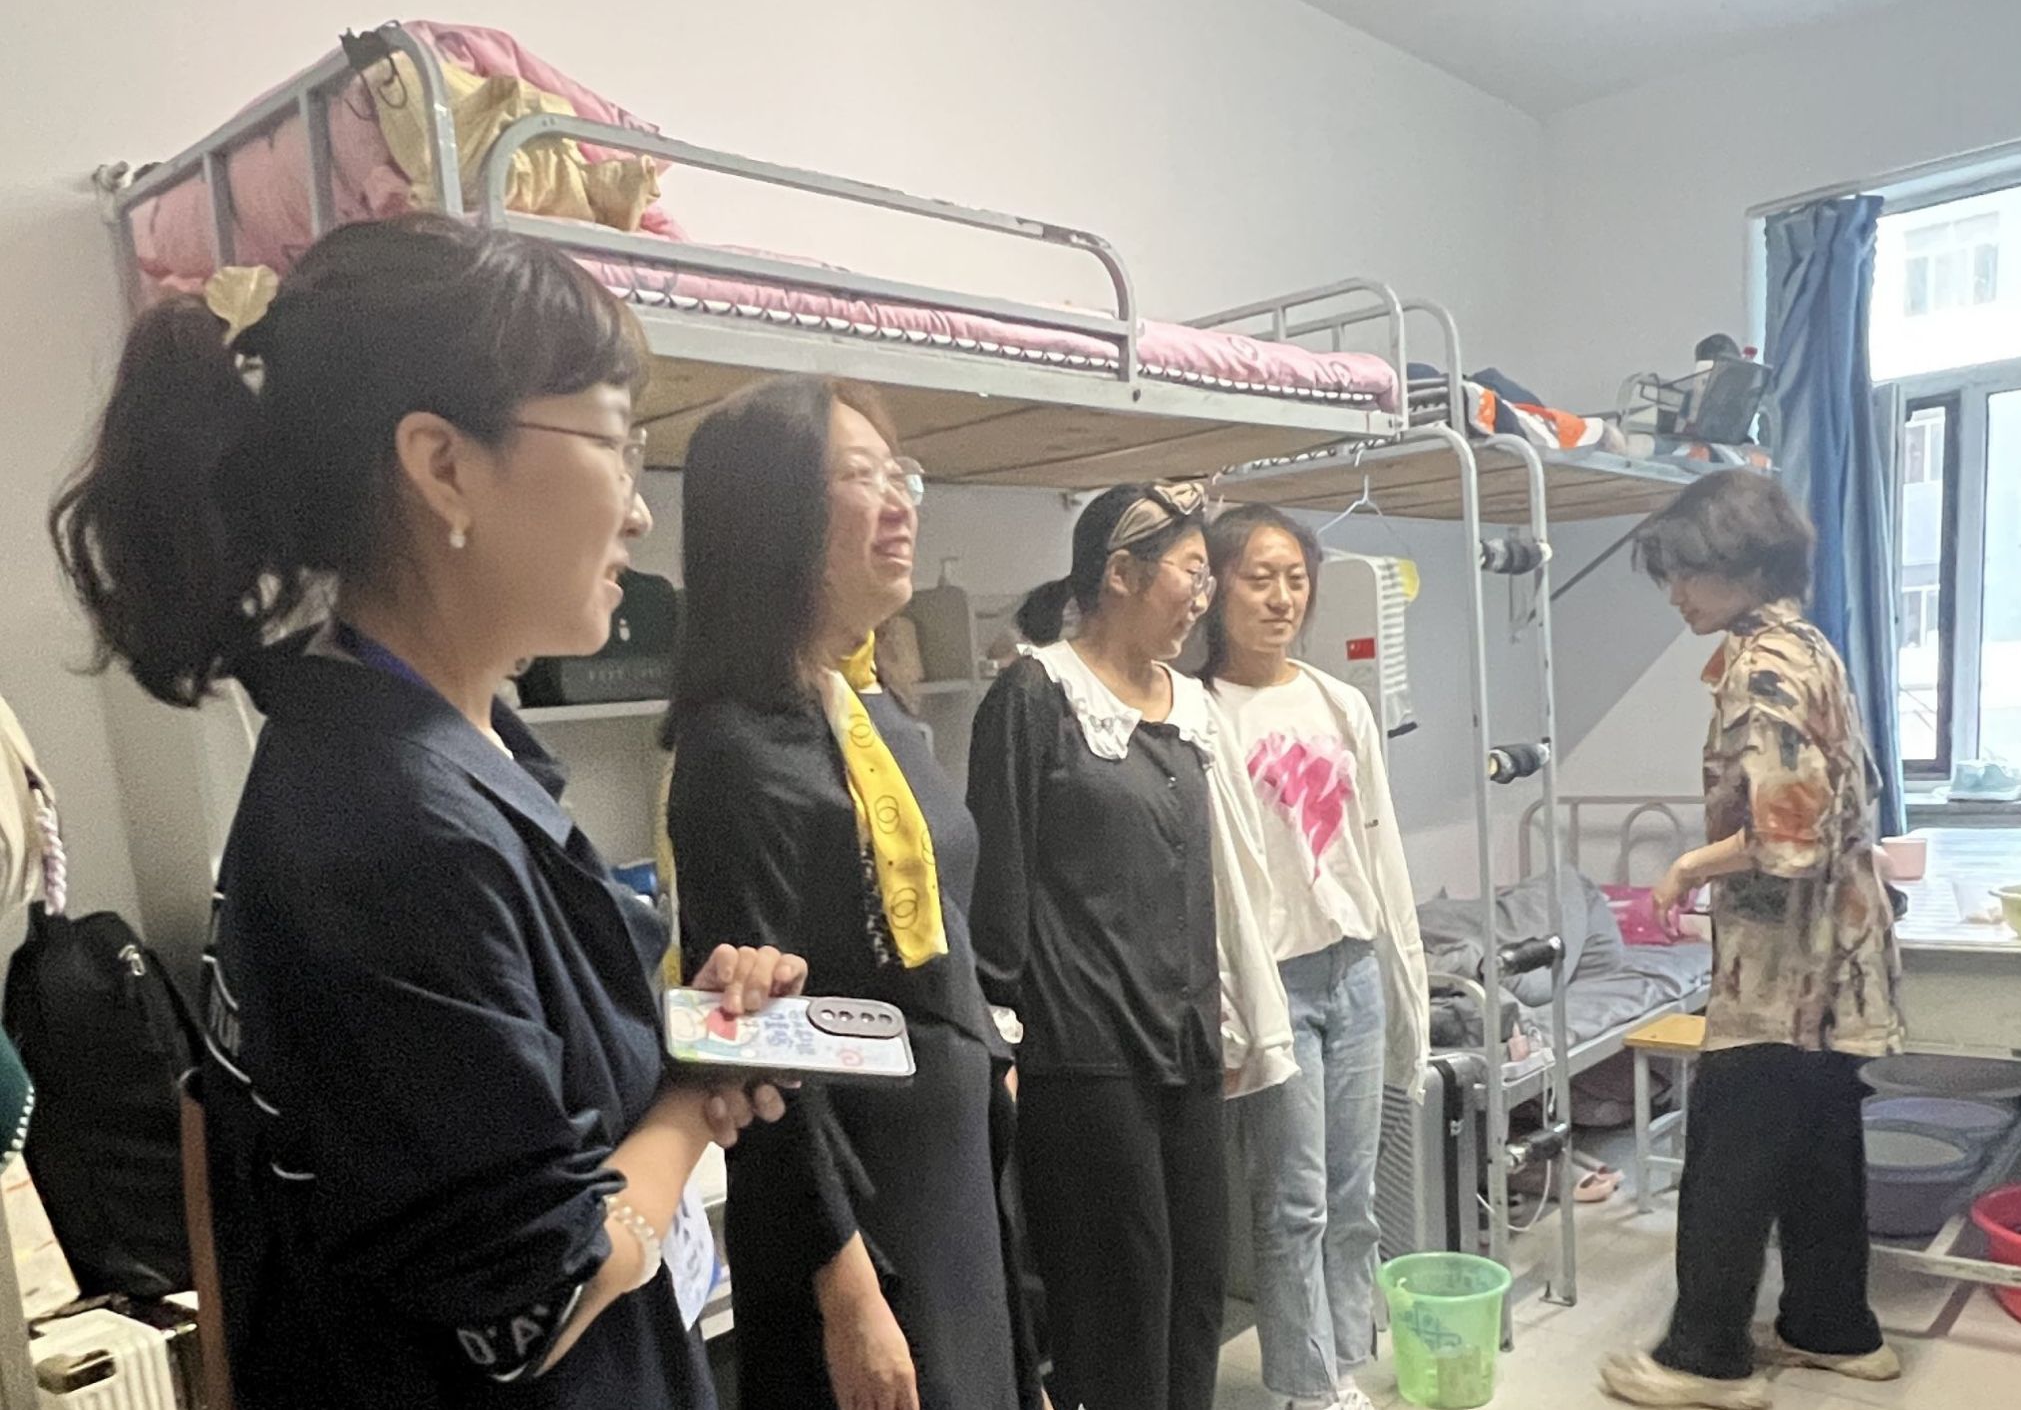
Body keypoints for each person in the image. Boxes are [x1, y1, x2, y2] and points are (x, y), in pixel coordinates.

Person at [47, 213, 804, 1408]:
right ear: (444, 465)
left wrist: (684, 1031)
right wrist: (686, 1106)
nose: (639, 511)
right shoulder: (392, 829)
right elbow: (531, 1296)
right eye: (613, 441)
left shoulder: (436, 752)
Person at [664, 380, 1036, 1410]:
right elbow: (753, 1046)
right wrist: (848, 1291)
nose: (900, 501)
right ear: (772, 513)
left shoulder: (875, 714)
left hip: (952, 1172)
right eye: (862, 476)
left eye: (901, 473)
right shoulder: (733, 749)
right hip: (855, 1212)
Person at [967, 482, 1294, 1410]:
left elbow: (1210, 880)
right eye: (1191, 573)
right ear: (1120, 574)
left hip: (1187, 1047)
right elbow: (1000, 883)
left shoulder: (1188, 705)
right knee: (1120, 1308)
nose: (1204, 597)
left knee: (1195, 1297)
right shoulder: (1036, 695)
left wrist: (1235, 1018)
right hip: (1083, 1058)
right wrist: (999, 1043)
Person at [1599, 470, 1906, 1410]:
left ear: (1742, 564)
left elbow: (1788, 837)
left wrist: (1687, 867)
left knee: (1730, 1152)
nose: (1676, 595)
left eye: (1686, 572)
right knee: (1819, 1144)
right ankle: (1833, 1327)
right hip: (1839, 956)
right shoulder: (1811, 645)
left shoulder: (1763, 667)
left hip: (1785, 972)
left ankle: (1705, 1358)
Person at [1197, 505, 1430, 1410]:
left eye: (1295, 578)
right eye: (1259, 577)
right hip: (1275, 981)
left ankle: (1342, 1366)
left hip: (1354, 964)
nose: (1281, 597)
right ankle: (1306, 1385)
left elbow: (1379, 845)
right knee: (1293, 1198)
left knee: (1353, 1191)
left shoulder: (1340, 702)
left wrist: (1399, 969)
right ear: (1216, 588)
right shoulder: (1201, 711)